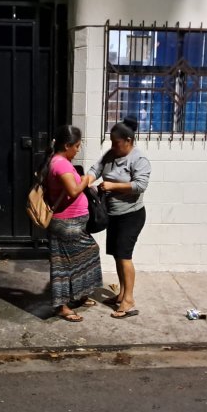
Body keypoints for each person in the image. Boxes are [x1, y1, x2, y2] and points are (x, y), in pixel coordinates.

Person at [88, 116, 151, 319]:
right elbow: (95, 169)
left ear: (129, 140)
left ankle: (129, 301)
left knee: (124, 256)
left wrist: (113, 186)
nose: (114, 147)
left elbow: (140, 185)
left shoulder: (138, 160)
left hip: (131, 215)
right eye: (112, 143)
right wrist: (85, 180)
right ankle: (122, 294)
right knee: (116, 255)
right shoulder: (111, 155)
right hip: (113, 214)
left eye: (117, 143)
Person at [44, 125, 103, 322]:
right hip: (66, 223)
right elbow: (73, 191)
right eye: (77, 146)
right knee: (64, 265)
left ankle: (80, 294)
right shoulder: (61, 164)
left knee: (84, 256)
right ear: (67, 145)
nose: (78, 150)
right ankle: (62, 307)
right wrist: (85, 180)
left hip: (73, 222)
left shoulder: (61, 161)